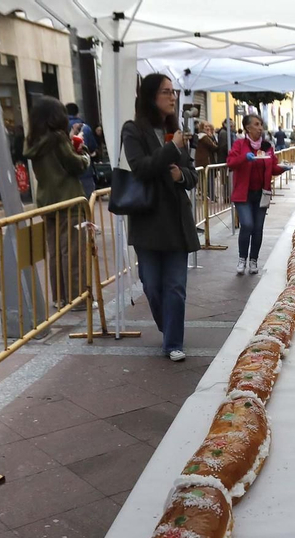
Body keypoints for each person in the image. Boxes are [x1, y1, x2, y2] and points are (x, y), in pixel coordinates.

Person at [121, 72, 199, 361]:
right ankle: (169, 328)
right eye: (166, 92)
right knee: (152, 286)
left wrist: (182, 176)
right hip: (148, 220)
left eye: (173, 92)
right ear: (151, 96)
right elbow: (141, 167)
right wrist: (172, 148)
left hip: (177, 221)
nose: (173, 97)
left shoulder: (175, 132)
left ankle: (173, 342)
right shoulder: (133, 130)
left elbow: (192, 175)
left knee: (176, 287)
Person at [24, 97, 92, 306]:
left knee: (55, 252)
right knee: (73, 251)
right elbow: (76, 165)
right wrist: (85, 154)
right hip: (69, 200)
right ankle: (78, 298)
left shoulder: (33, 141)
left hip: (47, 201)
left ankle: (60, 298)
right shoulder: (58, 138)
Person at [228, 113, 288, 276]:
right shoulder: (240, 144)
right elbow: (231, 163)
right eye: (256, 124)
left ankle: (253, 260)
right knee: (247, 225)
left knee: (258, 228)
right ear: (248, 128)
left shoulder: (267, 146)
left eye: (261, 124)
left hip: (262, 193)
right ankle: (242, 259)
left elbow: (272, 167)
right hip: (243, 194)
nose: (260, 127)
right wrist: (244, 158)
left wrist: (282, 168)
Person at [64, 102, 98, 197]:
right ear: (77, 113)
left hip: (69, 174)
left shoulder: (61, 128)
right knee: (88, 203)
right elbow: (92, 147)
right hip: (85, 171)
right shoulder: (85, 127)